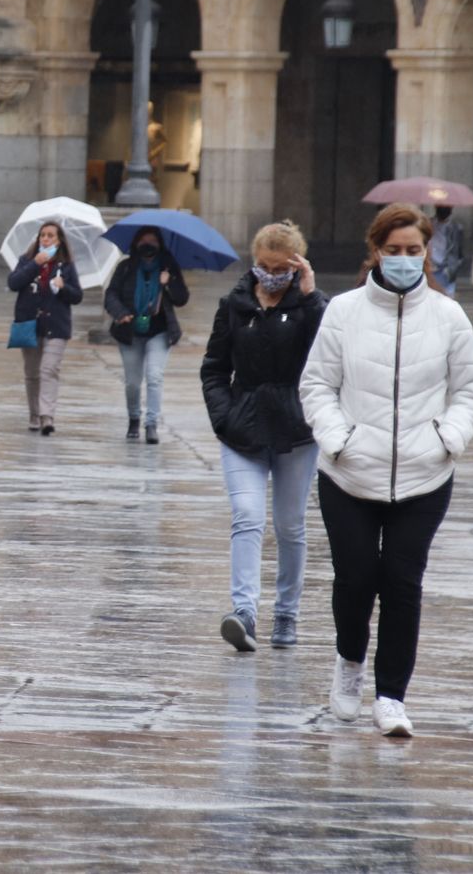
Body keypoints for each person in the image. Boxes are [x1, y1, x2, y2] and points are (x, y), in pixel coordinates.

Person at [299, 204, 473, 737]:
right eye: (393, 250)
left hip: (424, 475)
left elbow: (470, 389)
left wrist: (448, 438)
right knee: (356, 578)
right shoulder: (344, 311)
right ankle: (349, 662)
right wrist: (338, 439)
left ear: (426, 253)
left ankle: (391, 696)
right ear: (376, 250)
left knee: (403, 583)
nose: (404, 259)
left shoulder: (449, 316)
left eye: (413, 250)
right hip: (350, 473)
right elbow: (317, 384)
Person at [200, 221, 326, 653]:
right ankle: (244, 612)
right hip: (243, 427)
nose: (271, 275)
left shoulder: (310, 305)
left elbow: (329, 354)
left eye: (280, 269)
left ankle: (287, 612)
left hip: (296, 429)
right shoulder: (234, 305)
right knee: (246, 516)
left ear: (297, 265)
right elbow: (214, 368)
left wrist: (310, 297)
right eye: (264, 267)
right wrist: (224, 416)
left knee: (290, 524)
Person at [104, 226, 189, 445]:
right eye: (144, 240)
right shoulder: (125, 267)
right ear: (136, 243)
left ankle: (151, 424)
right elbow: (111, 294)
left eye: (153, 241)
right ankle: (134, 418)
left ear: (160, 245)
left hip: (159, 332)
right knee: (132, 382)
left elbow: (181, 299)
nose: (148, 245)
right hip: (130, 332)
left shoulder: (168, 267)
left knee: (154, 376)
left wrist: (169, 282)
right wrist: (120, 313)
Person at [7, 221, 83, 435]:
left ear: (59, 241)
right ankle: (34, 414)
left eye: (51, 236)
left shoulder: (65, 266)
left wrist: (63, 287)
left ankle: (47, 416)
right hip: (30, 324)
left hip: (56, 326)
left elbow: (77, 296)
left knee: (49, 370)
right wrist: (35, 264)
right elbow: (13, 283)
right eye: (43, 235)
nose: (46, 239)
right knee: (32, 373)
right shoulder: (27, 260)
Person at [428, 204, 465, 297]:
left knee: (448, 299)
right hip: (431, 267)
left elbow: (459, 250)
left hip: (447, 269)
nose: (444, 210)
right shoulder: (428, 224)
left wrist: (455, 265)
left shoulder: (456, 227)